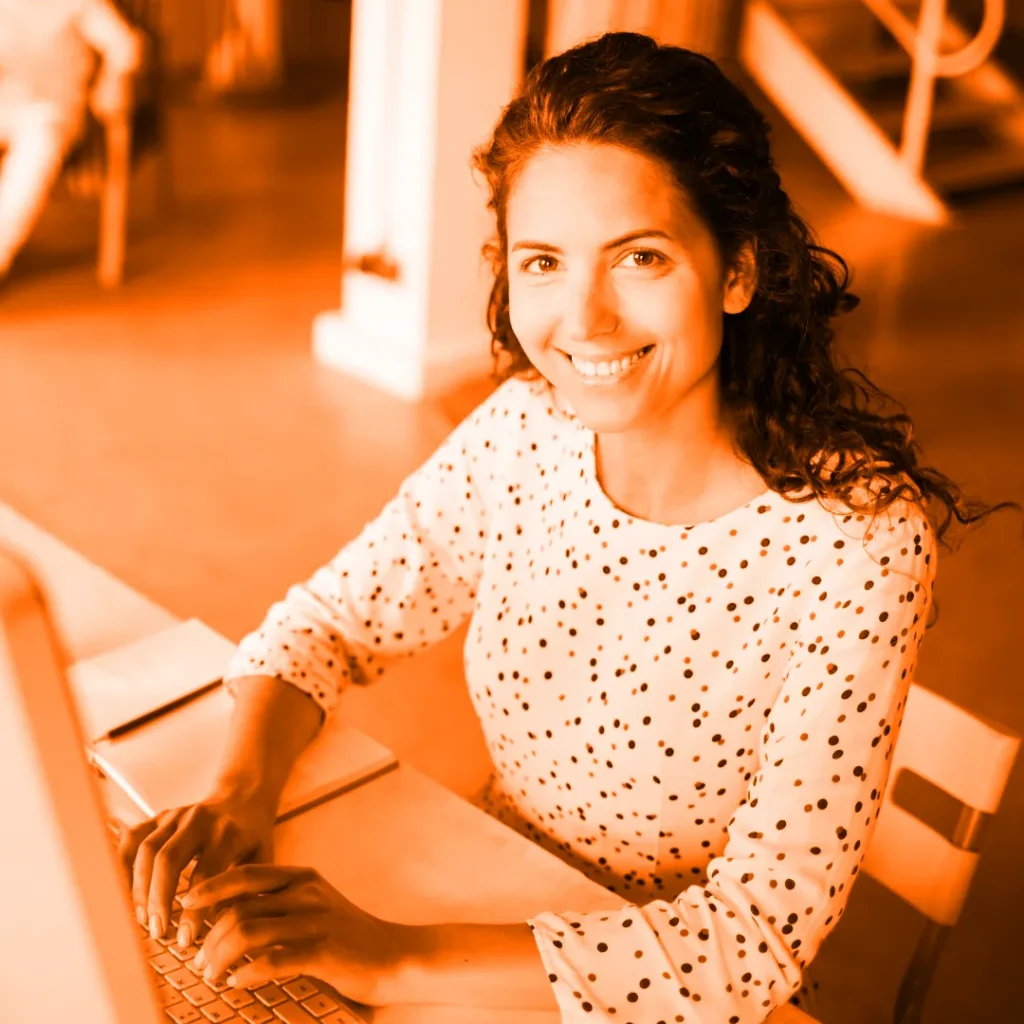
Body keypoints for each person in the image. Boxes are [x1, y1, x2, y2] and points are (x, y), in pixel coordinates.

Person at [118, 32, 1018, 1022]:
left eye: (640, 256)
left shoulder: (855, 544)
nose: (581, 319)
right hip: (484, 884)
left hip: (669, 984)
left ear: (737, 271)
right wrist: (241, 788)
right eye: (542, 261)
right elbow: (328, 620)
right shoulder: (527, 429)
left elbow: (755, 936)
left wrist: (389, 962)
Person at [0, 0, 143, 284]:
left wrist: (113, 79)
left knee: (34, 153)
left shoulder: (79, 5)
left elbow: (125, 46)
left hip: (48, 109)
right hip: (6, 101)